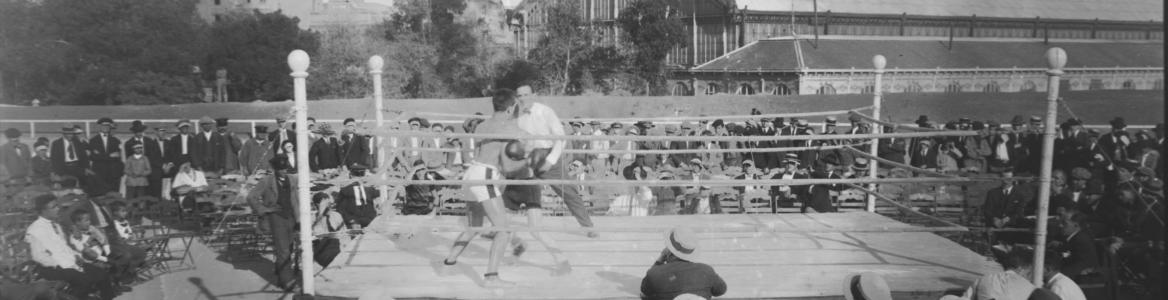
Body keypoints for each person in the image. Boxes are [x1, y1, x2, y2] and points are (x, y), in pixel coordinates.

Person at [441, 88, 533, 287]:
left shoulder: (482, 125)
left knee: (473, 226)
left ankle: (448, 264)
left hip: (471, 173)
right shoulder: (510, 130)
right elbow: (508, 167)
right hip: (486, 176)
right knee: (504, 229)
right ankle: (491, 277)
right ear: (510, 108)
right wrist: (528, 159)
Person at [512, 85, 597, 237]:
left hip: (548, 156)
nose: (523, 98)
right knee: (512, 190)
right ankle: (498, 226)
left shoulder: (545, 111)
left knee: (569, 192)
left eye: (526, 95)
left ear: (533, 95)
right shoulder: (515, 113)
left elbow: (561, 138)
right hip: (527, 158)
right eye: (520, 95)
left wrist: (550, 161)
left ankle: (588, 226)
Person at [25, 195, 122, 299]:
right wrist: (59, 265)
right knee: (83, 281)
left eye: (57, 205)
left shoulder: (56, 225)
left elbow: (65, 246)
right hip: (52, 268)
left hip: (69, 261)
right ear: (43, 211)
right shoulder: (34, 230)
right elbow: (38, 256)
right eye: (54, 207)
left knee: (101, 274)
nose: (58, 208)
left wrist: (76, 256)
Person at [245, 155, 299, 291]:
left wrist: (298, 219)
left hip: (291, 218)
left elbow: (295, 200)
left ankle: (281, 274)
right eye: (281, 169)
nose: (284, 171)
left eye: (286, 168)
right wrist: (265, 209)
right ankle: (288, 281)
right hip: (276, 218)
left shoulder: (292, 180)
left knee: (290, 248)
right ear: (275, 169)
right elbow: (251, 197)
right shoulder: (266, 181)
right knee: (283, 251)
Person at [640, 226, 727, 300]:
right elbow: (721, 290)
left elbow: (644, 293)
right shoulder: (707, 271)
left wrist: (660, 260)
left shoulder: (655, 274)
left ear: (669, 251)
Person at [124, 121, 164, 199]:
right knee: (136, 195)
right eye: (137, 131)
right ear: (133, 132)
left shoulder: (150, 141)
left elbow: (156, 157)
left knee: (151, 193)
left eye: (140, 131)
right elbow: (129, 160)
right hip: (136, 174)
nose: (139, 133)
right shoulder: (128, 143)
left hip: (150, 171)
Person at [336, 164, 379, 229]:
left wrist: (372, 218)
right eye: (357, 176)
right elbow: (341, 209)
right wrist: (351, 220)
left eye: (361, 175)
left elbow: (382, 194)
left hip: (369, 220)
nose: (359, 178)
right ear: (351, 176)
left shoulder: (369, 189)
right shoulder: (346, 190)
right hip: (354, 221)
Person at [88, 117, 123, 196]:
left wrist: (101, 155)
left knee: (112, 196)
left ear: (110, 127)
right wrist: (110, 155)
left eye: (107, 126)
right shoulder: (93, 141)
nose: (105, 128)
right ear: (100, 127)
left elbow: (117, 157)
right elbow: (93, 157)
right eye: (103, 126)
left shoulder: (115, 141)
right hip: (99, 172)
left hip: (112, 173)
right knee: (100, 195)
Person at [311, 193, 343, 268]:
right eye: (324, 203)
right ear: (317, 204)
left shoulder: (336, 215)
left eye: (328, 203)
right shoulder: (313, 218)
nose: (327, 206)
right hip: (322, 249)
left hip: (337, 248)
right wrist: (321, 213)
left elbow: (342, 234)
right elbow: (316, 233)